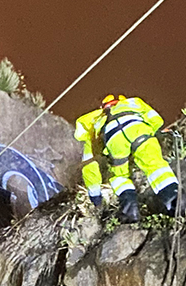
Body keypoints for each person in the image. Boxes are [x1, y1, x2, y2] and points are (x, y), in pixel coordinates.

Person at [74, 94, 180, 223]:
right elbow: (157, 120)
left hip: (114, 139)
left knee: (120, 177)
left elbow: (89, 166)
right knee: (156, 166)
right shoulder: (134, 103)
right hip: (139, 129)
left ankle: (131, 213)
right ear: (121, 101)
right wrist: (147, 137)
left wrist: (96, 198)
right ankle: (176, 203)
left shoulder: (95, 121)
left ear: (103, 107)